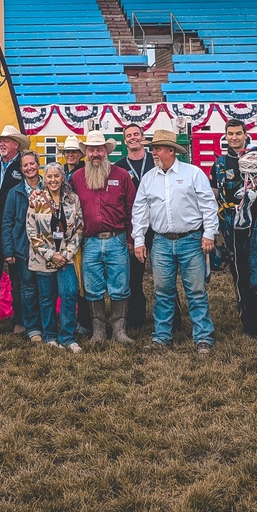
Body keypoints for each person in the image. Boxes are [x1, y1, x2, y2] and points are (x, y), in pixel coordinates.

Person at [131, 129, 218, 354]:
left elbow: (208, 205)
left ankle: (203, 337)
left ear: (171, 150)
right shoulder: (149, 178)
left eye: (157, 148)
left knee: (196, 291)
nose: (153, 153)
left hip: (191, 239)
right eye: (152, 149)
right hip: (160, 241)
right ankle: (161, 336)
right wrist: (139, 239)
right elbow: (140, 211)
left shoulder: (193, 173)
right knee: (162, 291)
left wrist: (209, 234)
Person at [210, 119, 257, 341]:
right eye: (230, 133)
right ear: (225, 136)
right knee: (240, 277)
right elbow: (213, 195)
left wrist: (255, 172)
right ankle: (250, 326)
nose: (234, 137)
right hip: (233, 230)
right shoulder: (220, 164)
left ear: (245, 134)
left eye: (238, 133)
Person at [69, 131, 136, 344]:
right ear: (85, 153)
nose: (95, 154)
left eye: (99, 149)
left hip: (117, 239)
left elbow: (133, 208)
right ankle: (98, 331)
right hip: (89, 241)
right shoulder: (77, 178)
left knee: (120, 285)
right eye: (91, 150)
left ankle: (119, 331)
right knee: (92, 286)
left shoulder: (122, 175)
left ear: (106, 151)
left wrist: (132, 239)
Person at [27, 162, 84, 350]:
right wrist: (52, 255)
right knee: (47, 298)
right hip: (44, 258)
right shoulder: (36, 200)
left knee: (69, 293)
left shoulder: (72, 199)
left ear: (63, 178)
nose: (53, 180)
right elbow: (31, 232)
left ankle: (68, 337)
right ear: (45, 179)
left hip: (66, 258)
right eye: (49, 176)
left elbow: (79, 228)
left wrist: (66, 255)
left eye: (56, 176)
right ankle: (50, 336)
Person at [0, 124, 31, 332]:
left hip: (17, 230)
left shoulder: (24, 166)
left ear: (16, 144)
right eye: (0, 141)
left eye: (5, 140)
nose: (1, 144)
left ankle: (20, 320)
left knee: (19, 278)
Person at [115, 124, 157, 330]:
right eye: (128, 136)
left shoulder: (155, 160)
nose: (132, 138)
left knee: (162, 275)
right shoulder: (119, 166)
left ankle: (171, 319)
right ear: (124, 141)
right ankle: (136, 319)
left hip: (158, 225)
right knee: (134, 276)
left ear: (142, 137)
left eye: (136, 134)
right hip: (134, 227)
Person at [1, 149, 44, 341]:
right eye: (25, 165)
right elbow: (7, 222)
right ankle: (28, 323)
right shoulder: (15, 192)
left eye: (32, 164)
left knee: (45, 287)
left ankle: (45, 322)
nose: (29, 168)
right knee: (25, 287)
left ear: (38, 164)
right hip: (22, 248)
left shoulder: (49, 186)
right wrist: (8, 249)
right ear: (21, 168)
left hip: (45, 247)